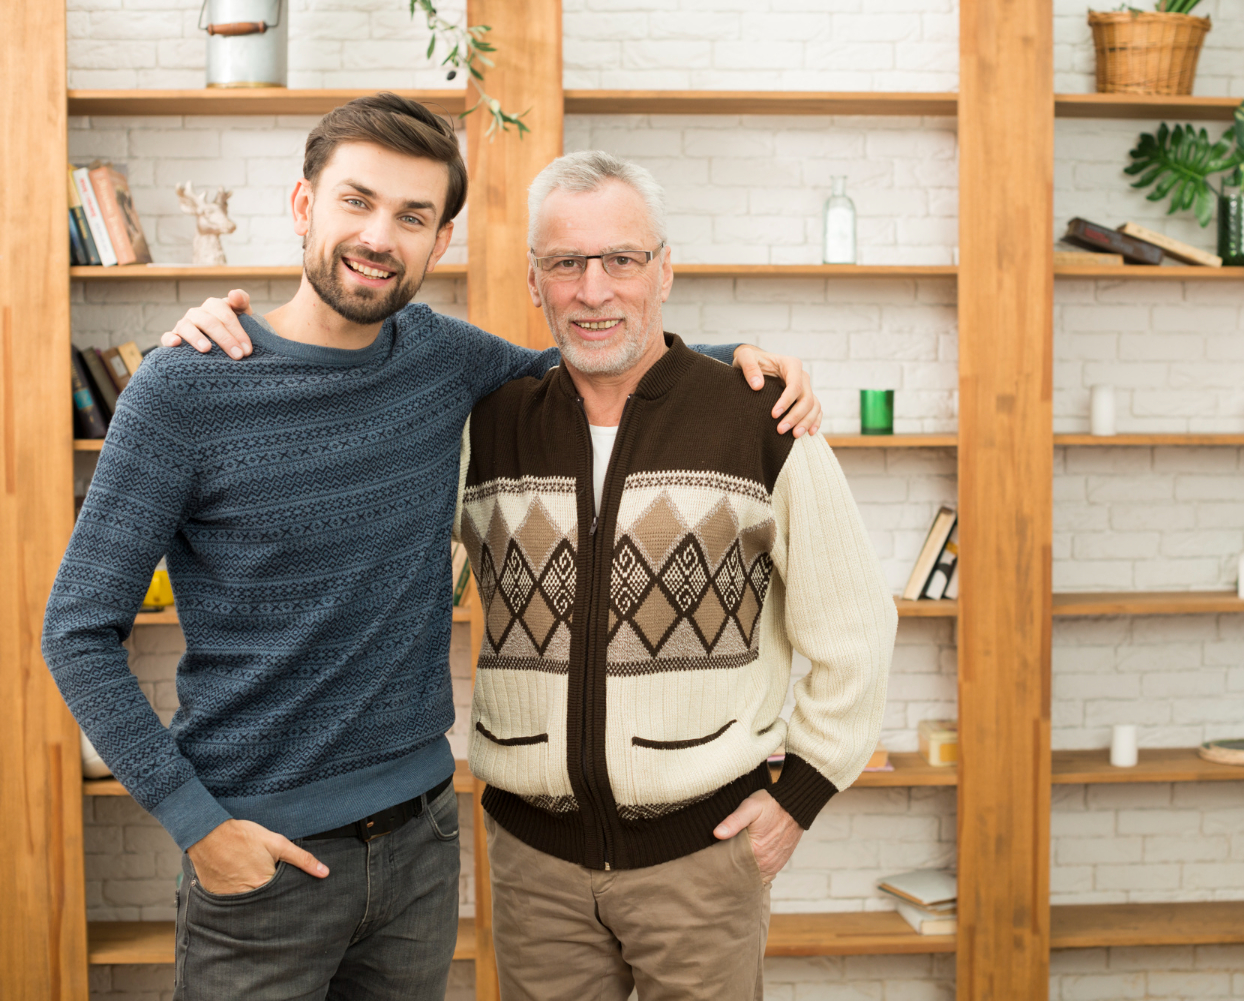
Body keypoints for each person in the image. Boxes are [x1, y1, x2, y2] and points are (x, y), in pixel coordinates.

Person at [41, 94, 819, 1001]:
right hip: (260, 858)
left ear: (439, 242)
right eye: (356, 201)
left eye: (412, 216)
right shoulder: (183, 391)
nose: (379, 236)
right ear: (303, 205)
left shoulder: (441, 357)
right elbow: (77, 631)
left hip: (419, 851)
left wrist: (739, 365)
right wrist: (195, 824)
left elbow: (586, 361)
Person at [456, 150, 895, 1001]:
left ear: (665, 271)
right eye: (566, 263)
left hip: (703, 865)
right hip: (531, 869)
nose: (594, 289)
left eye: (621, 259)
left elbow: (856, 627)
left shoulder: (758, 417)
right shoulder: (488, 426)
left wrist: (798, 795)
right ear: (533, 280)